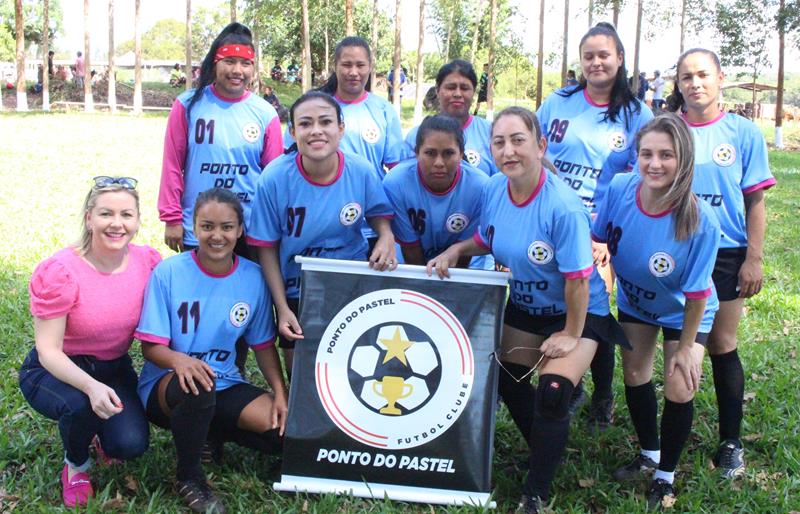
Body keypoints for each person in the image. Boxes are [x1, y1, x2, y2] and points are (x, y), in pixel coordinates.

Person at [427, 107, 629, 514]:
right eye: (499, 142)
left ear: (540, 145)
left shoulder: (563, 206)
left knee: (553, 394)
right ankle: (545, 446)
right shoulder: (495, 190)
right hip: (525, 305)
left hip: (577, 311)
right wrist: (456, 248)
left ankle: (535, 492)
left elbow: (576, 280)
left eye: (518, 140)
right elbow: (489, 238)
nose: (508, 151)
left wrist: (571, 334)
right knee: (504, 376)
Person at [593, 114, 721, 508]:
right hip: (636, 302)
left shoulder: (700, 221)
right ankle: (649, 453)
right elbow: (598, 242)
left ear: (683, 160)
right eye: (646, 153)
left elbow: (698, 294)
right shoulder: (619, 188)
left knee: (680, 382)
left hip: (685, 312)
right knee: (634, 373)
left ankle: (666, 475)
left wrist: (685, 347)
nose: (655, 163)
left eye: (666, 154)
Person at [136, 188, 286, 514]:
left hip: (224, 383)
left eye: (227, 227)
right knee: (199, 384)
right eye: (207, 227)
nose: (217, 236)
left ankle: (208, 432)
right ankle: (189, 477)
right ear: (193, 227)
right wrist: (181, 360)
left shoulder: (253, 277)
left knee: (281, 433)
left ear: (240, 230)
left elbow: (262, 345)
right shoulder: (168, 272)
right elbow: (151, 347)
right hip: (167, 385)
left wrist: (280, 393)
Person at [536, 22, 654, 430]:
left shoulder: (638, 114)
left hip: (603, 230)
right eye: (589, 55)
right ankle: (573, 383)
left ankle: (603, 395)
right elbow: (537, 150)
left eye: (604, 54)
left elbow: (644, 173)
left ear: (620, 59)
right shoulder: (559, 102)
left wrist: (602, 235)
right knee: (561, 301)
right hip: (555, 220)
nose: (596, 62)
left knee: (595, 311)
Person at [667, 48, 776, 479]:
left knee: (721, 345)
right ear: (677, 83)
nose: (695, 83)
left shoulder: (743, 132)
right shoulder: (671, 130)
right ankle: (666, 445)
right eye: (686, 77)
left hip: (727, 253)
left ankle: (731, 442)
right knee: (679, 347)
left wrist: (754, 257)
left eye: (703, 75)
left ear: (720, 78)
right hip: (679, 248)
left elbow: (755, 202)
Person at [19, 176, 159, 508]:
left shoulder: (148, 263)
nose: (117, 223)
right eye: (106, 214)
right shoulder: (61, 272)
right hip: (56, 369)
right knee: (81, 405)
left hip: (114, 368)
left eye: (126, 215)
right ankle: (76, 465)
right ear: (89, 218)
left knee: (129, 446)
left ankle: (99, 434)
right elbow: (48, 350)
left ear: (138, 221)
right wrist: (91, 386)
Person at [249, 91, 397, 375]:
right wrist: (282, 308)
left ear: (341, 128)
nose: (316, 130)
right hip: (296, 287)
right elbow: (266, 248)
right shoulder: (274, 178)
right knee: (301, 378)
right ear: (292, 132)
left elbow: (380, 215)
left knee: (355, 368)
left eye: (325, 122)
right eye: (305, 124)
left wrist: (386, 235)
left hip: (350, 281)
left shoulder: (361, 171)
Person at [158, 22, 282, 255]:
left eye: (245, 64)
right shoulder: (188, 105)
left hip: (249, 228)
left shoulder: (265, 113)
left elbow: (274, 177)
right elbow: (172, 164)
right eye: (229, 62)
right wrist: (171, 217)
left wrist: (272, 225)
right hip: (200, 227)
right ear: (215, 64)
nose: (237, 70)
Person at [385, 115, 488, 265]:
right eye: (430, 153)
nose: (439, 163)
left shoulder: (480, 187)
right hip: (408, 264)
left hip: (460, 266)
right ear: (417, 153)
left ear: (460, 154)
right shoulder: (396, 183)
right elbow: (410, 249)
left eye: (448, 153)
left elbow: (463, 254)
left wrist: (450, 285)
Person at [404, 60, 499, 177]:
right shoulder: (416, 135)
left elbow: (501, 182)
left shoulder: (492, 133)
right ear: (438, 91)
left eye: (464, 88)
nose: (458, 94)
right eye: (450, 87)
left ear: (474, 92)